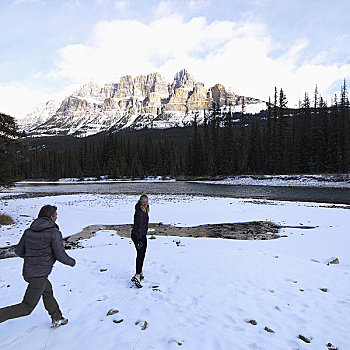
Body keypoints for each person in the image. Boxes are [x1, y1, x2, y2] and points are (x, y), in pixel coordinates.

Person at [0, 205, 76, 328]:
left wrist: (33, 258)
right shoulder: (54, 233)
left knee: (47, 292)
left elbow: (19, 251)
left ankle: (57, 318)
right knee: (27, 307)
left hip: (29, 273)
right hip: (38, 275)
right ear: (51, 217)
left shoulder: (28, 231)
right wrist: (72, 262)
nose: (57, 217)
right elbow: (60, 255)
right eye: (56, 214)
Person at [131, 195, 149, 288]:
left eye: (147, 201)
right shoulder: (139, 211)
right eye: (144, 202)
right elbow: (138, 225)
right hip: (137, 236)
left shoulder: (145, 210)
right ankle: (137, 275)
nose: (146, 203)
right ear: (140, 202)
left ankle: (139, 272)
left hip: (142, 235)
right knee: (140, 254)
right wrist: (139, 240)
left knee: (142, 254)